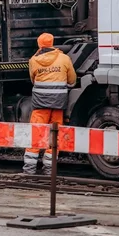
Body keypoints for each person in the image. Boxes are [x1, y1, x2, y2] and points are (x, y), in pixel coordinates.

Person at [23, 32, 77, 175]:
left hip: (40, 103)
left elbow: (33, 80)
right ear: (52, 43)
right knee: (55, 135)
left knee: (36, 133)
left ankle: (29, 169)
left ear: (39, 44)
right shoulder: (64, 59)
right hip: (58, 103)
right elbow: (72, 80)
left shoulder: (33, 60)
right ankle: (49, 169)